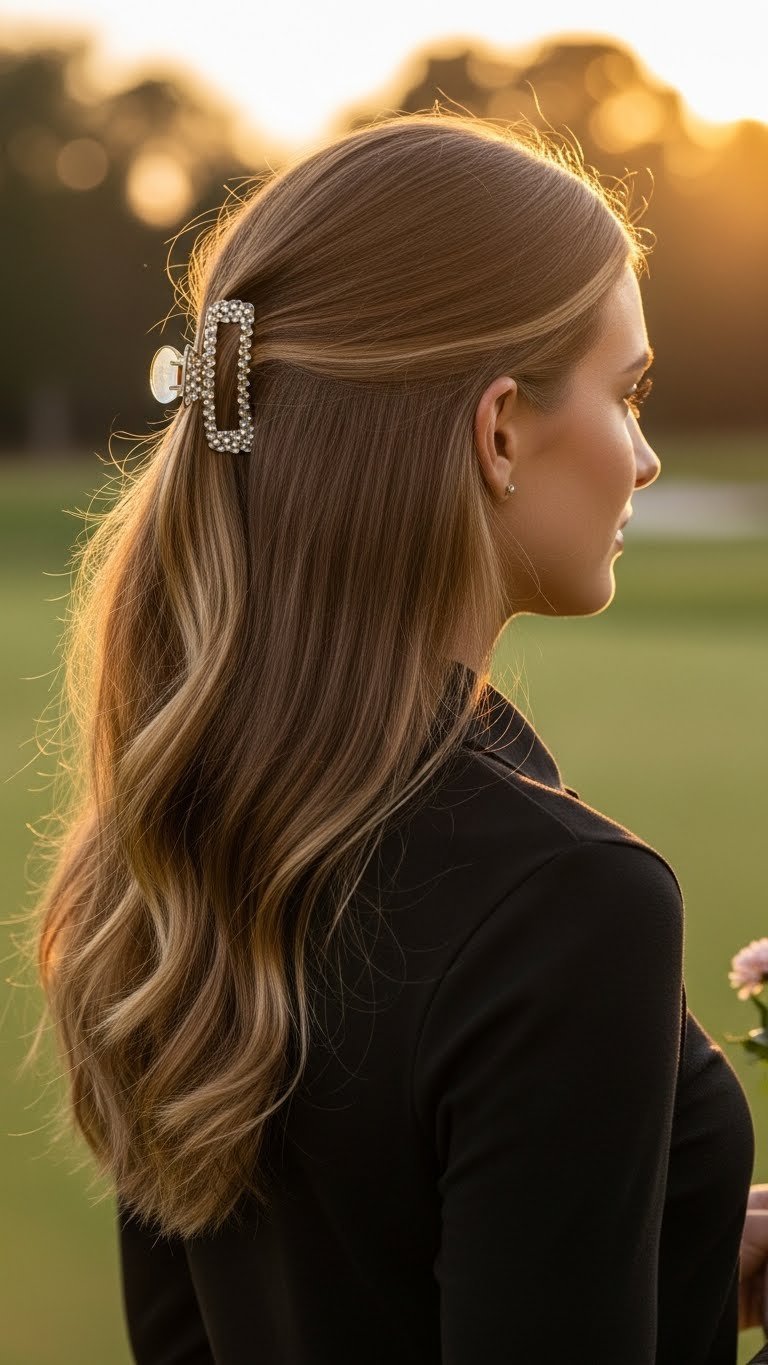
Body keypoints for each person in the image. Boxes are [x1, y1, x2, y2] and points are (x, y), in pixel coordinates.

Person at [23, 109, 767, 1363]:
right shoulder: (571, 905)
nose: (642, 458)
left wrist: (670, 1248)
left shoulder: (171, 841)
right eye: (628, 392)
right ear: (497, 433)